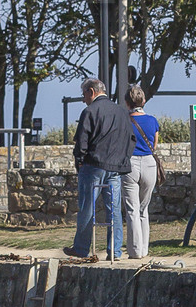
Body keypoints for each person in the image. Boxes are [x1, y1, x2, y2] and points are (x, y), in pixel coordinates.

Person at [65, 76, 130, 261]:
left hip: (93, 165)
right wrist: (122, 160)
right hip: (115, 166)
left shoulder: (89, 111)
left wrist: (80, 160)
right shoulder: (121, 112)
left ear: (91, 91)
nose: (83, 99)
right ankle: (114, 251)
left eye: (84, 94)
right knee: (114, 210)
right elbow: (130, 138)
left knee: (87, 207)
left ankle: (81, 248)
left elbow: (82, 141)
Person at [123, 83, 160, 259]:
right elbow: (154, 145)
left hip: (130, 163)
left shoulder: (124, 121)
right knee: (144, 209)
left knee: (132, 210)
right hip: (149, 163)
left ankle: (135, 251)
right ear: (143, 101)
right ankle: (145, 249)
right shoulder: (152, 121)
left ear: (127, 102)